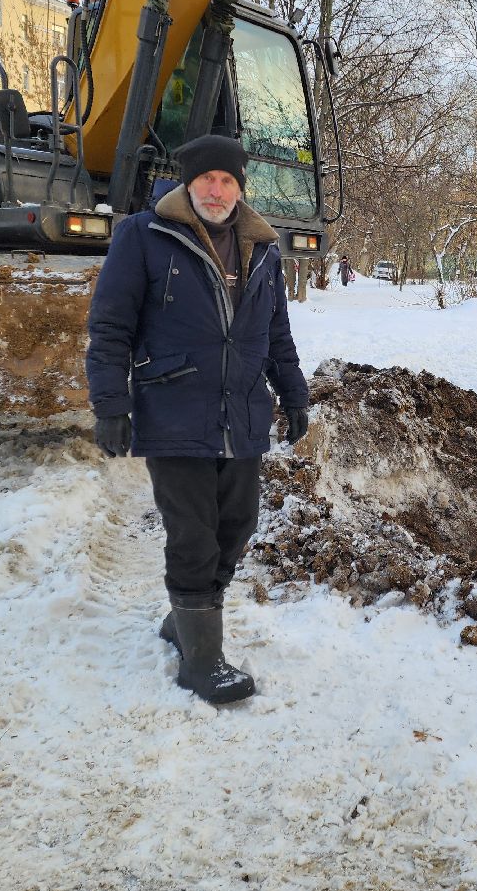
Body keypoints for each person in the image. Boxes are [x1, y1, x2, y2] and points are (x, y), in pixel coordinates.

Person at [85, 133, 310, 705]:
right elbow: (111, 327)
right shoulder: (145, 235)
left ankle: (183, 619)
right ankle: (201, 660)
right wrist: (112, 405)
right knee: (193, 535)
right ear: (189, 183)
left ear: (240, 187)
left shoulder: (261, 247)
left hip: (241, 411)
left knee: (238, 524)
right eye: (207, 179)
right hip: (174, 409)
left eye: (227, 180)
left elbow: (275, 334)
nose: (217, 189)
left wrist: (294, 393)